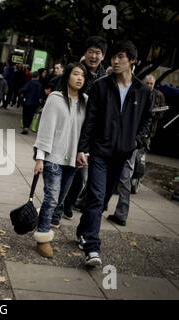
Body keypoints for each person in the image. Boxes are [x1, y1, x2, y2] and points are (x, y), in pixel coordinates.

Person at [76, 40, 152, 267]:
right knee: (97, 196)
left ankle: (83, 229)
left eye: (121, 57)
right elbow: (89, 121)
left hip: (122, 154)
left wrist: (135, 141)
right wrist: (83, 148)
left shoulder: (142, 91)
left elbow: (147, 120)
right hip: (99, 151)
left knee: (103, 198)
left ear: (132, 61)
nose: (115, 61)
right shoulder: (101, 86)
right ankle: (92, 248)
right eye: (114, 57)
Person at [33, 62, 88, 258]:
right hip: (53, 158)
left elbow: (86, 133)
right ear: (68, 76)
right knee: (52, 197)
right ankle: (43, 239)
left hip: (72, 162)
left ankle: (43, 218)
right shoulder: (55, 99)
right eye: (76, 74)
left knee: (59, 201)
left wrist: (85, 153)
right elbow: (45, 131)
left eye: (83, 75)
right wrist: (40, 158)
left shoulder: (85, 102)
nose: (80, 78)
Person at [106, 74, 167, 226]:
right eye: (147, 82)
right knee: (114, 174)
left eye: (152, 83)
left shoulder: (156, 96)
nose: (149, 85)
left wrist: (137, 140)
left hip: (135, 142)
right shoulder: (137, 91)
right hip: (125, 139)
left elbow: (150, 120)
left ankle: (121, 213)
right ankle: (105, 205)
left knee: (126, 175)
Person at [62, 36, 108, 220]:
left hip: (88, 134)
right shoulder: (76, 71)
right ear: (85, 53)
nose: (94, 56)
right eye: (91, 52)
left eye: (98, 53)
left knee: (80, 177)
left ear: (103, 56)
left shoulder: (105, 77)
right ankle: (56, 205)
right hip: (72, 127)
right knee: (65, 171)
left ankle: (66, 203)